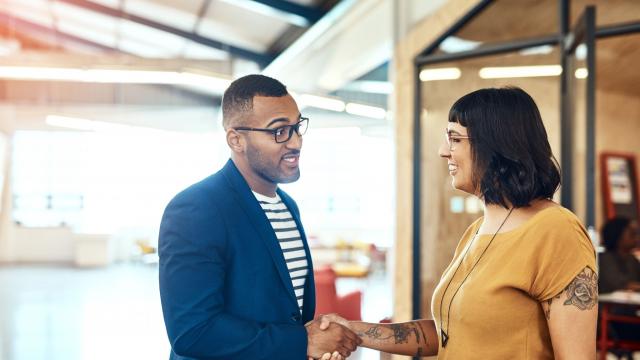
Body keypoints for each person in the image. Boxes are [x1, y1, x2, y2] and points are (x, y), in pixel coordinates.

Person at [318, 87, 598, 359]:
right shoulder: (477, 231)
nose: (443, 151)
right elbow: (447, 334)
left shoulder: (556, 230)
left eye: (455, 138)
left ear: (495, 145)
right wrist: (352, 331)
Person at [158, 74, 360, 360]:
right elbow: (193, 331)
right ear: (236, 139)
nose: (296, 142)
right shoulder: (196, 209)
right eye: (279, 131)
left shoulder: (289, 206)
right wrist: (301, 341)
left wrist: (317, 338)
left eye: (297, 127)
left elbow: (289, 314)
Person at [599, 217, 640, 293]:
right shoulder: (604, 260)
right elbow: (617, 285)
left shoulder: (632, 260)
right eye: (632, 234)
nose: (637, 238)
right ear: (617, 234)